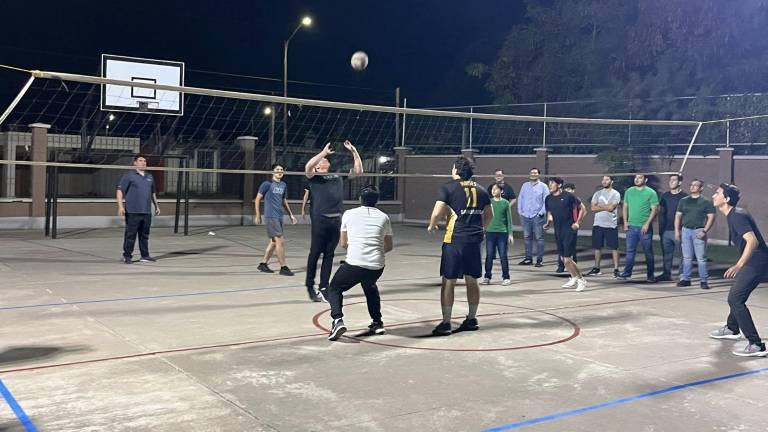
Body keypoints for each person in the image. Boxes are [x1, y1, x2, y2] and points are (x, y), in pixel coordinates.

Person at [428, 156, 492, 336]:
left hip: (454, 240)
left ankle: (446, 322)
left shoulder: (448, 188)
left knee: (449, 281)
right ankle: (472, 319)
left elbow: (437, 213)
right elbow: (489, 215)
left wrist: (432, 225)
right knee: (472, 280)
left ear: (456, 170)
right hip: (474, 240)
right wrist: (481, 230)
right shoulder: (481, 190)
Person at [708, 183, 768, 357]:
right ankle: (732, 328)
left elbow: (752, 241)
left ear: (726, 199)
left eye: (717, 193)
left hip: (756, 261)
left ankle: (756, 344)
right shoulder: (735, 213)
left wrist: (739, 264)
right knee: (737, 295)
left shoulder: (736, 216)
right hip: (756, 260)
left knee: (735, 299)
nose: (713, 196)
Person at [327, 185, 394, 341]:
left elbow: (344, 244)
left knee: (335, 288)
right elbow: (389, 246)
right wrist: (373, 253)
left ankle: (337, 320)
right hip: (376, 266)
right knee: (370, 286)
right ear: (377, 201)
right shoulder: (384, 217)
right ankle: (377, 322)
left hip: (355, 264)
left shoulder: (349, 214)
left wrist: (360, 252)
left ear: (360, 199)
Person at [304, 141, 363, 302]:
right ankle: (310, 286)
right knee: (315, 254)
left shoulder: (338, 175)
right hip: (320, 221)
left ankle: (324, 287)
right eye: (321, 161)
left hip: (336, 220)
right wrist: (322, 153)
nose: (323, 161)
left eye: (325, 159)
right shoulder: (314, 177)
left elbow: (358, 171)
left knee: (329, 255)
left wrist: (354, 151)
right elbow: (308, 167)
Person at [544, 178, 587, 291]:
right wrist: (548, 223)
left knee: (567, 258)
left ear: (559, 185)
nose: (550, 185)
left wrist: (577, 222)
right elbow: (549, 212)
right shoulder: (548, 198)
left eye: (552, 183)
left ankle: (581, 279)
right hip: (558, 230)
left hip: (569, 229)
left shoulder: (569, 196)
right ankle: (573, 278)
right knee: (563, 258)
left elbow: (583, 209)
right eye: (549, 183)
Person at [254, 163, 298, 276]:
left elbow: (284, 201)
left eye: (282, 169)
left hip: (279, 216)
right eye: (277, 169)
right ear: (273, 172)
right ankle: (283, 267)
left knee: (273, 242)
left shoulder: (283, 185)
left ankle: (263, 264)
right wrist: (258, 215)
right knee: (280, 241)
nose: (280, 171)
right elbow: (258, 199)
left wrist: (291, 215)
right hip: (271, 216)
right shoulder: (267, 184)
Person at [116, 154, 160, 264]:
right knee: (130, 235)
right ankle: (127, 255)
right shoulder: (129, 176)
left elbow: (153, 193)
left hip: (146, 211)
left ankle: (145, 255)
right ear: (135, 163)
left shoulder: (150, 177)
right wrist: (120, 206)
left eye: (144, 161)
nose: (143, 163)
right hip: (132, 211)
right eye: (140, 161)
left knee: (144, 235)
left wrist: (157, 206)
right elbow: (120, 191)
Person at [616, 174, 659, 283]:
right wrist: (625, 222)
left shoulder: (651, 192)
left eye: (640, 178)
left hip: (644, 228)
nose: (637, 179)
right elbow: (625, 207)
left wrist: (647, 223)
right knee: (630, 251)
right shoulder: (629, 191)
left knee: (648, 252)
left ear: (645, 180)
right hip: (631, 227)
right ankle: (627, 272)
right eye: (636, 178)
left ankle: (650, 275)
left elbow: (654, 209)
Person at [674, 178, 715, 289]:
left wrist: (704, 231)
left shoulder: (706, 202)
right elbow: (678, 216)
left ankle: (703, 281)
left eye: (695, 185)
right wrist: (677, 231)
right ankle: (686, 279)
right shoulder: (684, 200)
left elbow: (711, 217)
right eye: (691, 185)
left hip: (698, 231)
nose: (692, 187)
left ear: (701, 188)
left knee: (701, 258)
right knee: (687, 257)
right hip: (685, 230)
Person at [586, 175, 621, 277]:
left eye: (607, 179)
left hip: (611, 225)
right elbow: (592, 208)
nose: (604, 181)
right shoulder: (597, 193)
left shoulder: (616, 194)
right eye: (603, 180)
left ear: (612, 181)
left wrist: (599, 205)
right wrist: (606, 206)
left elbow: (611, 208)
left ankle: (616, 269)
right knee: (597, 247)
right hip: (598, 224)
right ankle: (596, 268)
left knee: (614, 247)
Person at [657, 174, 687, 281]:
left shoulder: (684, 197)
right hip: (666, 230)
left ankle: (683, 275)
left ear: (679, 182)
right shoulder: (665, 196)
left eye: (674, 180)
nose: (671, 182)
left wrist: (680, 229)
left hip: (680, 230)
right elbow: (661, 212)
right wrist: (661, 228)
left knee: (683, 254)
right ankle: (666, 273)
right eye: (670, 180)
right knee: (667, 254)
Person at [482, 184, 514, 286]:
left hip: (502, 233)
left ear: (501, 191)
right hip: (490, 232)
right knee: (489, 255)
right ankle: (487, 277)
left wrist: (510, 234)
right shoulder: (488, 202)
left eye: (496, 189)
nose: (493, 191)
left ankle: (506, 277)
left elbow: (509, 219)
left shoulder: (505, 203)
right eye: (492, 189)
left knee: (503, 255)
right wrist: (483, 229)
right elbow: (485, 217)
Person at [517, 167, 549, 267]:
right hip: (525, 215)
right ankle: (528, 259)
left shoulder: (543, 186)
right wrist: (520, 211)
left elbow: (546, 201)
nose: (533, 174)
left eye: (535, 173)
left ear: (538, 175)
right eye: (531, 173)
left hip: (537, 216)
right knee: (527, 237)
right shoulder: (525, 185)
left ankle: (539, 260)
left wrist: (541, 213)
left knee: (539, 238)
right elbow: (520, 198)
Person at [555, 183, 585, 272]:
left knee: (571, 246)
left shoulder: (575, 200)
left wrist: (578, 222)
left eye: (569, 189)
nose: (567, 191)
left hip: (571, 226)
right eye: (566, 189)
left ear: (573, 190)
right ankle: (561, 265)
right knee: (561, 246)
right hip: (561, 226)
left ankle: (573, 265)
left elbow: (583, 210)